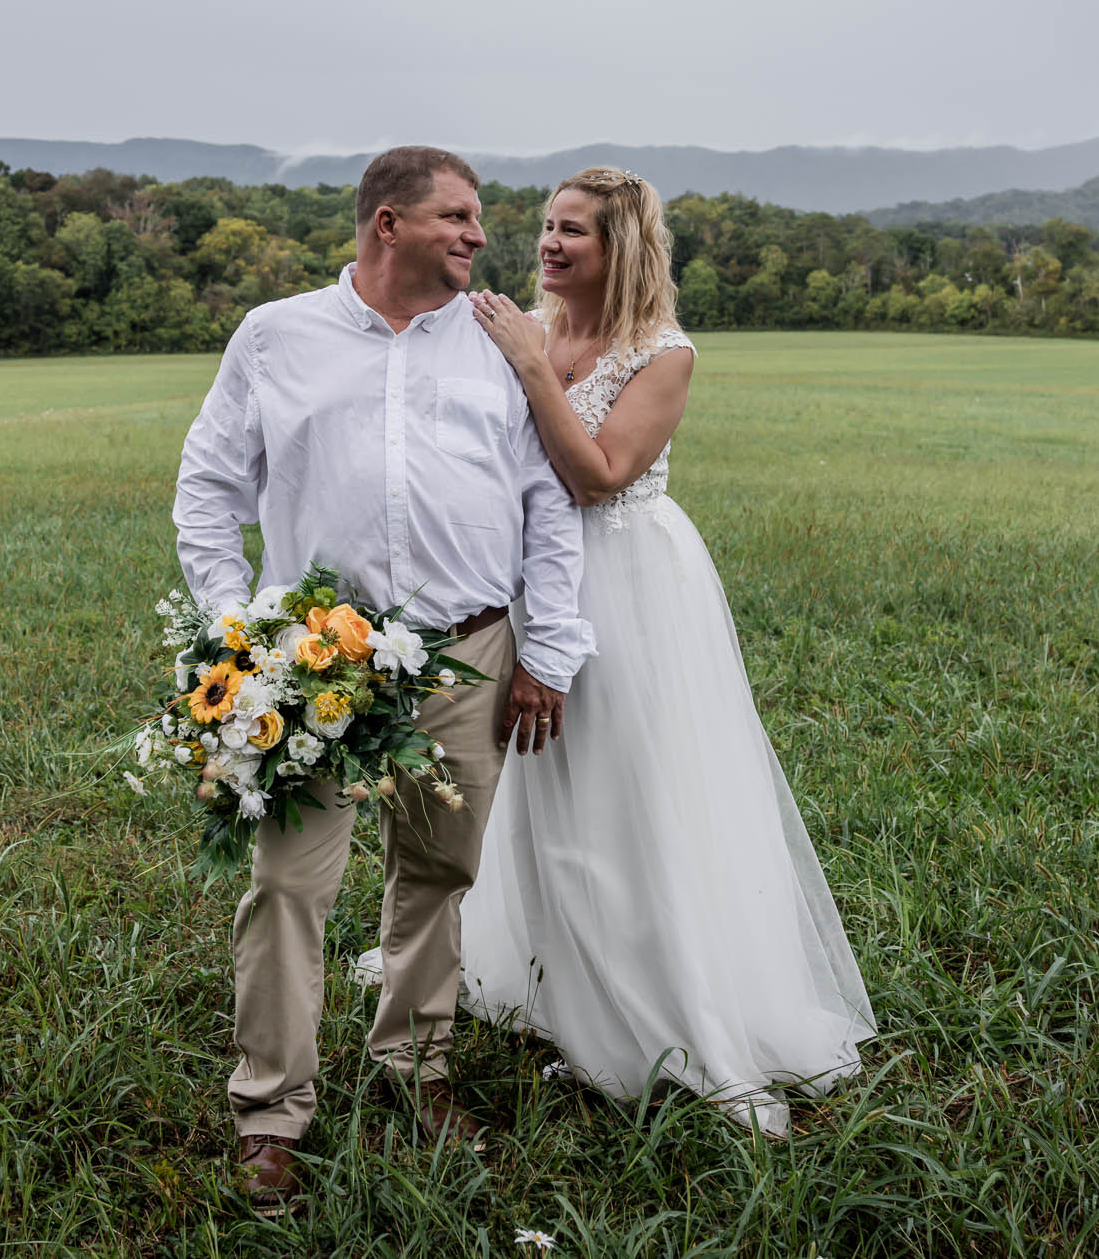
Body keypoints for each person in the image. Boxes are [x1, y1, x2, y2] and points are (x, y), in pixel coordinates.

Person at [173, 146, 594, 1214]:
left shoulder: (504, 340)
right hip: (317, 665)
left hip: (472, 650)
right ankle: (271, 1110)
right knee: (286, 884)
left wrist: (544, 650)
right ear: (386, 224)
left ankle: (416, 1068)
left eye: (479, 217)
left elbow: (549, 503)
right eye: (455, 216)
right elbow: (209, 485)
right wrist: (239, 634)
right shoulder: (276, 336)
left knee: (440, 871)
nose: (478, 235)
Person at [455, 166, 877, 1136]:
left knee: (627, 791)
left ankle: (655, 1008)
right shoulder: (527, 323)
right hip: (527, 577)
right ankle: (558, 986)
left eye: (574, 234)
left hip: (628, 588)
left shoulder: (662, 353)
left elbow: (599, 476)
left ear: (624, 250)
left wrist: (528, 369)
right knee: (540, 787)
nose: (550, 245)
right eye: (547, 227)